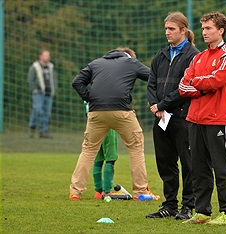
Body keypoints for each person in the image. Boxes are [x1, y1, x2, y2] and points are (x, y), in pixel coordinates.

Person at [70, 47, 157, 201]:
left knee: (88, 150)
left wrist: (88, 98)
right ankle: (140, 192)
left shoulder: (95, 63)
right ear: (129, 56)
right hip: (122, 111)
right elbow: (153, 76)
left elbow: (77, 82)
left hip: (96, 112)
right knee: (136, 148)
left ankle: (75, 192)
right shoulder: (131, 61)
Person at [178, 12, 226, 225]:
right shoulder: (198, 57)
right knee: (199, 168)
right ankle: (202, 212)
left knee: (222, 167)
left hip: (218, 120)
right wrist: (200, 85)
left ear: (220, 30)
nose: (204, 32)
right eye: (203, 28)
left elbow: (216, 81)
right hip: (195, 119)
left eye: (209, 29)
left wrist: (197, 83)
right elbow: (183, 86)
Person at [146, 12, 199, 219]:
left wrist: (163, 104)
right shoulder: (160, 56)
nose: (167, 32)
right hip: (160, 118)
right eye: (166, 28)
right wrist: (155, 106)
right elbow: (151, 83)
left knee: (188, 163)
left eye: (171, 29)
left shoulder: (193, 56)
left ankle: (188, 207)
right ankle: (169, 206)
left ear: (183, 31)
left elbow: (186, 87)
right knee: (165, 162)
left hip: (183, 118)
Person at [83, 101, 119, 199]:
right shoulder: (107, 93)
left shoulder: (89, 96)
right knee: (110, 160)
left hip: (93, 128)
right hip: (108, 128)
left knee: (98, 160)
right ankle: (107, 191)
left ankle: (98, 191)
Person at [28, 49, 58, 138]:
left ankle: (43, 131)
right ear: (40, 56)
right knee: (38, 110)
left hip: (49, 94)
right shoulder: (35, 66)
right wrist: (34, 90)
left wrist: (54, 89)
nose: (48, 57)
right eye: (45, 55)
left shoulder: (51, 67)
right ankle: (32, 127)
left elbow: (54, 79)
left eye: (48, 55)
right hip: (38, 93)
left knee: (47, 113)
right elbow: (31, 79)